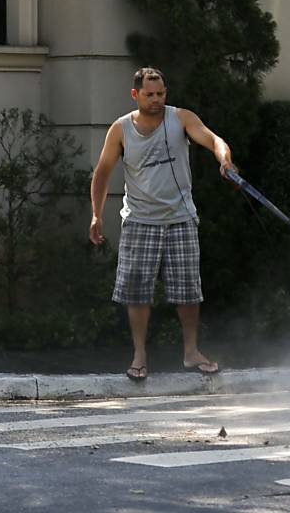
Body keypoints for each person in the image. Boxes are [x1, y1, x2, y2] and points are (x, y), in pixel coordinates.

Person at [89, 67, 236, 381]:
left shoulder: (180, 118)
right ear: (135, 94)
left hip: (180, 219)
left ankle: (191, 352)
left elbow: (213, 139)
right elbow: (102, 173)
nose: (156, 100)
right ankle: (140, 356)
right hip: (140, 221)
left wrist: (224, 157)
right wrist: (96, 215)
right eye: (149, 94)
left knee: (188, 291)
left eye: (160, 94)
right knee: (137, 293)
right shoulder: (121, 129)